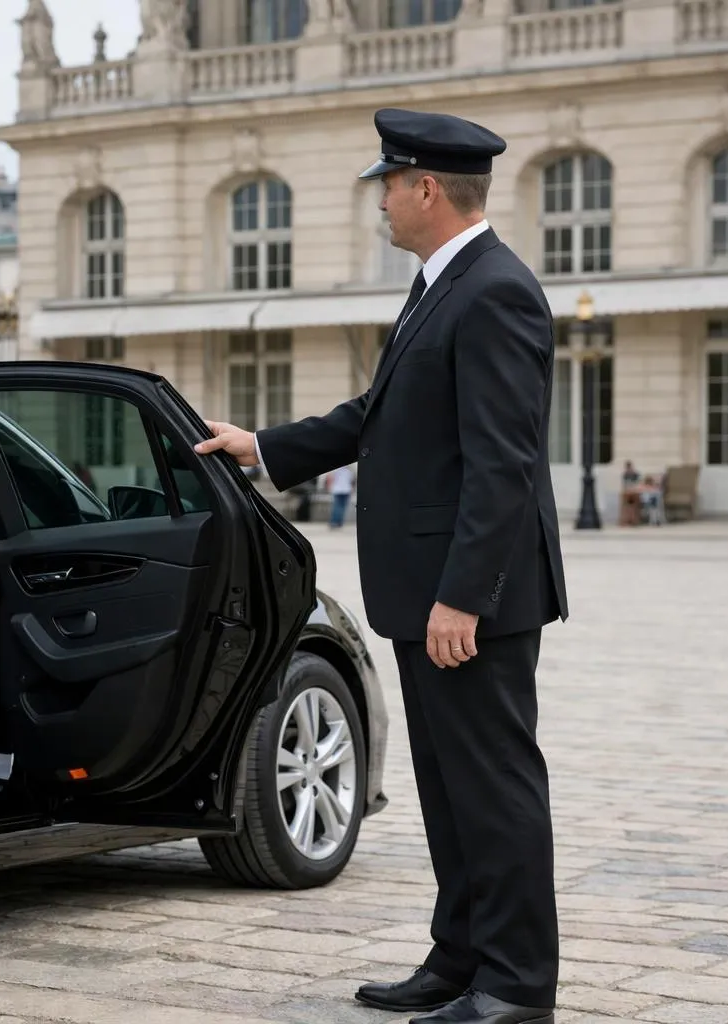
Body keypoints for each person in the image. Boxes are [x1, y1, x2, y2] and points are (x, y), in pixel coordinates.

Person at [195, 108, 568, 1024]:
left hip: (466, 601)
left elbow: (503, 465)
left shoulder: (494, 292)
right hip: (429, 594)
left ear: (428, 189)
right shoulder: (443, 284)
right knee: (448, 786)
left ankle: (517, 987)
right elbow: (377, 412)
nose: (383, 202)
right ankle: (461, 958)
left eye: (389, 185)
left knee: (495, 786)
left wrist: (461, 599)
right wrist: (265, 446)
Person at [327, 463, 355, 528]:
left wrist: (329, 487)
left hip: (339, 490)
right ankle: (337, 522)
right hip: (345, 490)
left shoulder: (337, 470)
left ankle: (335, 522)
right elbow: (352, 481)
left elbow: (330, 478)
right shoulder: (349, 471)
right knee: (341, 507)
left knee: (337, 507)